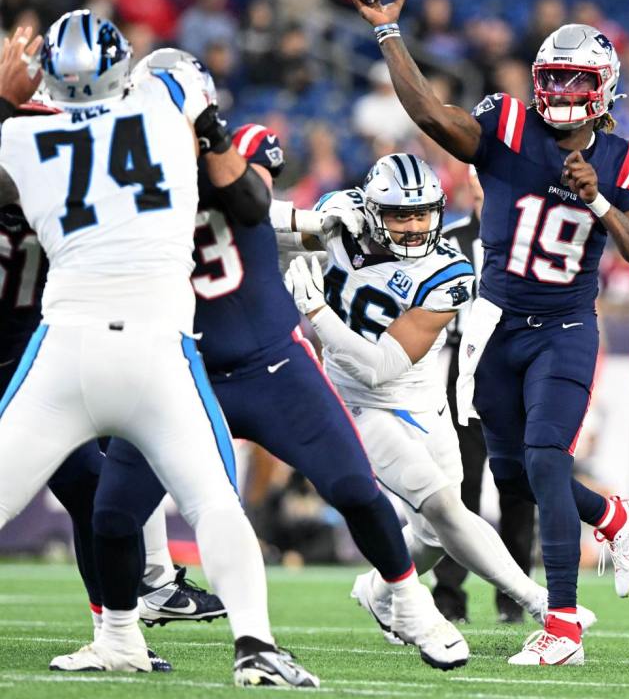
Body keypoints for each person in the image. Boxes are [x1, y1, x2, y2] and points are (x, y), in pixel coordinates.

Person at [50, 50, 468, 673]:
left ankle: (408, 600)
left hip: (270, 365)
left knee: (353, 485)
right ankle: (118, 639)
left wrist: (275, 196)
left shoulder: (239, 145)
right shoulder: (121, 176)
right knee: (112, 517)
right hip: (178, 374)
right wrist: (307, 221)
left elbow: (247, 201)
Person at [348, 0, 629, 665]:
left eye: (574, 80)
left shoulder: (625, 161)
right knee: (515, 476)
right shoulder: (508, 127)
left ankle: (563, 629)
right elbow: (433, 116)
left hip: (564, 329)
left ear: (603, 88)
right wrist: (389, 32)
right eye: (550, 76)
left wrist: (600, 202)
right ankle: (611, 515)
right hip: (494, 328)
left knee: (547, 461)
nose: (558, 90)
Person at [0, 14, 317, 687]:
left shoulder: (23, 137)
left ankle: (119, 638)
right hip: (155, 349)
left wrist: (5, 98)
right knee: (212, 502)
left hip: (65, 347)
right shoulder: (170, 103)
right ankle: (254, 644)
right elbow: (245, 196)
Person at [283, 154, 594, 656]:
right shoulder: (343, 220)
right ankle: (540, 603)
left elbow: (383, 363)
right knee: (446, 507)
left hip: (423, 400)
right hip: (359, 403)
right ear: (371, 209)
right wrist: (311, 222)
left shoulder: (447, 269)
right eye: (400, 215)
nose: (413, 226)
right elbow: (278, 233)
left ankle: (378, 590)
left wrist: (317, 312)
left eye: (423, 214)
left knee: (434, 532)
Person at [0, 88, 221, 672]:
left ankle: (114, 631)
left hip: (32, 360)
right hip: (24, 358)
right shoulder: (29, 162)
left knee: (90, 490)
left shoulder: (86, 189)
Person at [431, 166, 537, 624]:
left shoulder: (528, 236)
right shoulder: (448, 238)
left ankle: (513, 595)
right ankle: (449, 594)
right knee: (460, 482)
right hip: (463, 364)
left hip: (513, 358)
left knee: (516, 486)